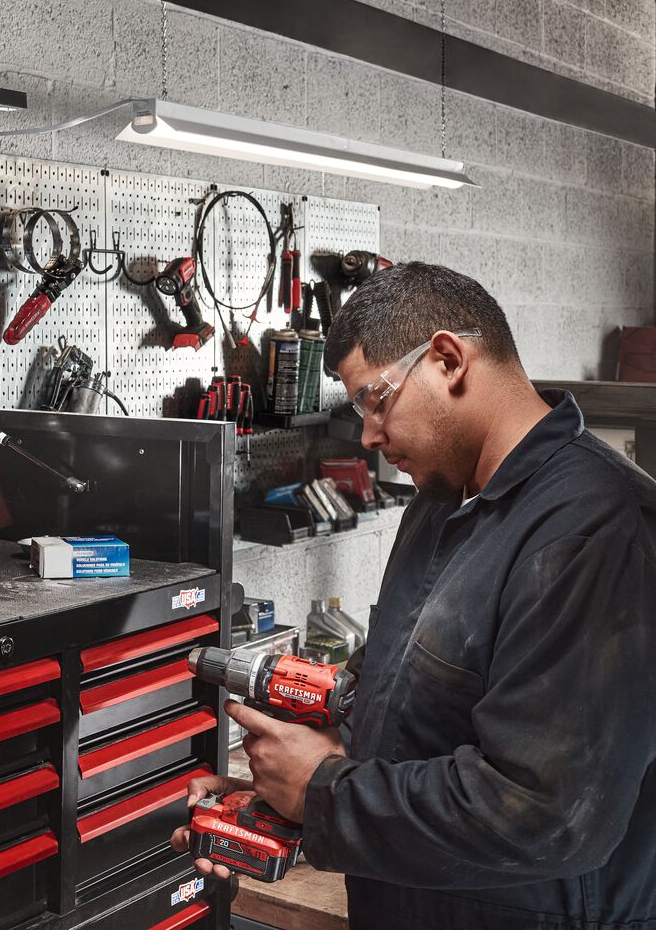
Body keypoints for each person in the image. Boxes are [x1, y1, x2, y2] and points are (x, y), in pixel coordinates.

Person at [172, 262, 656, 929]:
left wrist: (325, 796)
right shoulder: (438, 505)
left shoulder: (594, 529)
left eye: (376, 399)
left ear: (448, 360)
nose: (368, 434)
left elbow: (551, 816)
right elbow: (411, 724)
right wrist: (286, 800)